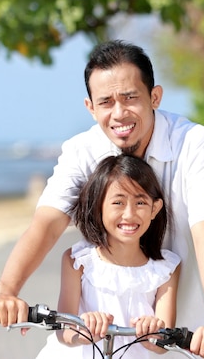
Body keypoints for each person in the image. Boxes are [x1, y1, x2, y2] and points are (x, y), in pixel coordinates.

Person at [0, 40, 204, 358]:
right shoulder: (82, 150)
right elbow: (46, 225)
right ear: (91, 108)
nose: (119, 113)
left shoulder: (194, 143)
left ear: (154, 97)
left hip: (182, 335)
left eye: (130, 97)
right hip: (94, 342)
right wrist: (6, 291)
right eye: (105, 102)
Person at [36, 154, 181, 359]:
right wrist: (84, 332)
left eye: (140, 203)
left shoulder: (165, 268)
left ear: (154, 208)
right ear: (98, 206)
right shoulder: (78, 260)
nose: (129, 214)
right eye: (118, 203)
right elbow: (64, 331)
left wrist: (153, 330)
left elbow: (162, 343)